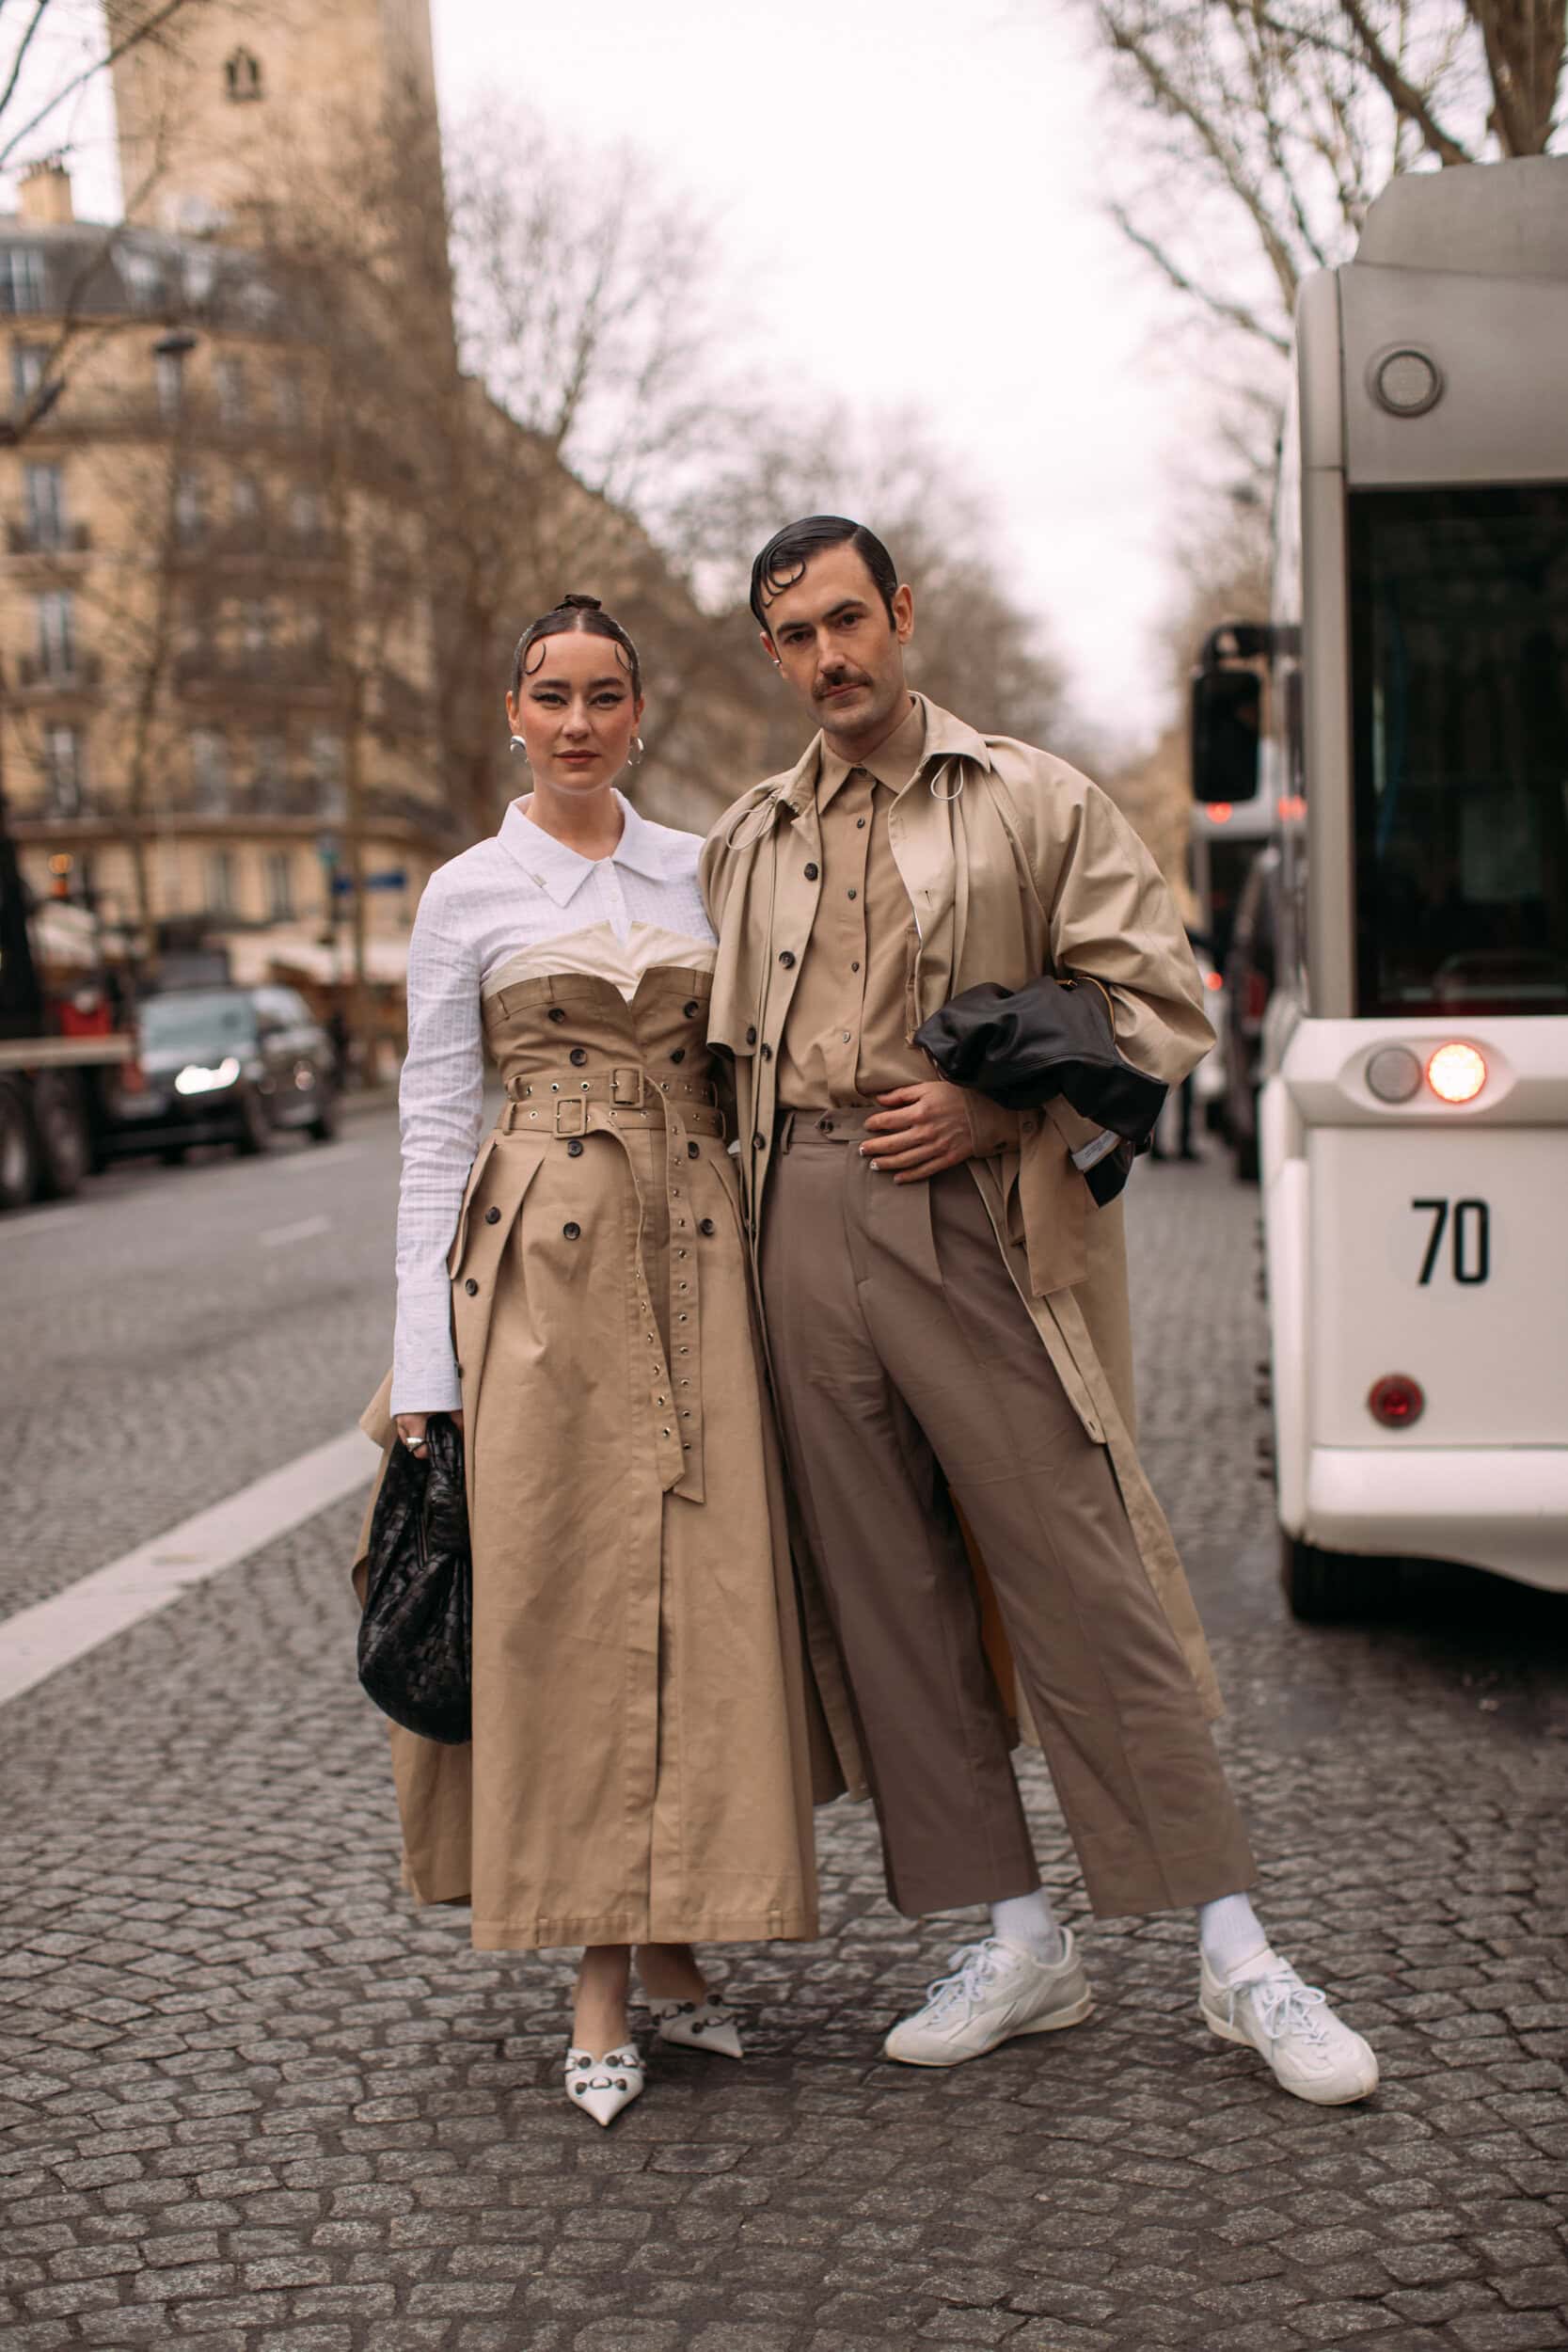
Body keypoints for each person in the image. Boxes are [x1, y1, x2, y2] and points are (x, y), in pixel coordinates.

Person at [700, 517, 1378, 2106]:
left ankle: (1238, 1955)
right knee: (887, 1594)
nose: (829, 658)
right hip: (796, 1220)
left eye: (849, 620)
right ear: (773, 654)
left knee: (1083, 1570)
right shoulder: (745, 838)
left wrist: (992, 1113)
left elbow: (1163, 1008)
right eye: (794, 636)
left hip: (975, 1216)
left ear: (904, 614)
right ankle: (1023, 1942)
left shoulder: (1030, 798)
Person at [358, 595, 821, 2128]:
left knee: (702, 1597)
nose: (576, 720)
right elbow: (434, 1134)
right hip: (534, 1293)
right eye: (549, 693)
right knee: (560, 1607)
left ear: (638, 713)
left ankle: (680, 1933)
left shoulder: (706, 868)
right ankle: (601, 1976)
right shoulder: (465, 893)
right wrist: (421, 1368)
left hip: (702, 1269)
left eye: (603, 694)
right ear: (512, 710)